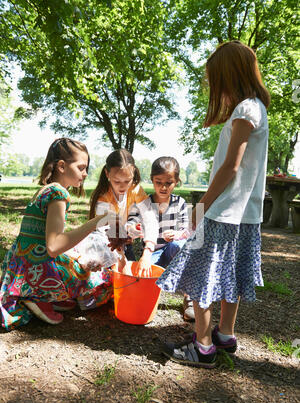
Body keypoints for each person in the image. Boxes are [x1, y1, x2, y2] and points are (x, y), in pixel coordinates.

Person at [156, 40, 270, 368]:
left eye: (215, 80)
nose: (213, 87)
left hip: (224, 211)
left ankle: (203, 347)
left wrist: (202, 205)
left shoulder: (246, 109)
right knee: (230, 276)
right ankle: (226, 334)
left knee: (198, 276)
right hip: (245, 214)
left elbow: (231, 167)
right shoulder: (255, 108)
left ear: (228, 76)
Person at [0, 138, 113, 331]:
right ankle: (38, 296)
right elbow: (53, 247)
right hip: (36, 271)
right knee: (102, 279)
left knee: (77, 258)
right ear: (61, 166)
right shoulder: (59, 194)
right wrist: (94, 223)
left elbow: (46, 241)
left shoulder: (45, 190)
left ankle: (45, 295)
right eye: (81, 167)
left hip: (20, 267)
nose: (85, 174)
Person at [126, 156, 193, 319]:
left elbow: (188, 229)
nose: (163, 187)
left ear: (176, 181)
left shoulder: (180, 203)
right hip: (152, 255)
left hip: (172, 252)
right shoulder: (144, 202)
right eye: (158, 182)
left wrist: (177, 234)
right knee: (139, 279)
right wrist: (133, 228)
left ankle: (189, 297)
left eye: (168, 183)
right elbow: (132, 221)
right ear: (152, 180)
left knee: (180, 245)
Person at [89, 148, 157, 261]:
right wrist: (121, 258)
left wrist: (148, 250)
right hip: (105, 244)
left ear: (133, 172)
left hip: (123, 241)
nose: (122, 187)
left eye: (127, 181)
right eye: (117, 181)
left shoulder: (136, 190)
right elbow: (107, 229)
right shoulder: (104, 196)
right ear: (107, 173)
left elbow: (150, 218)